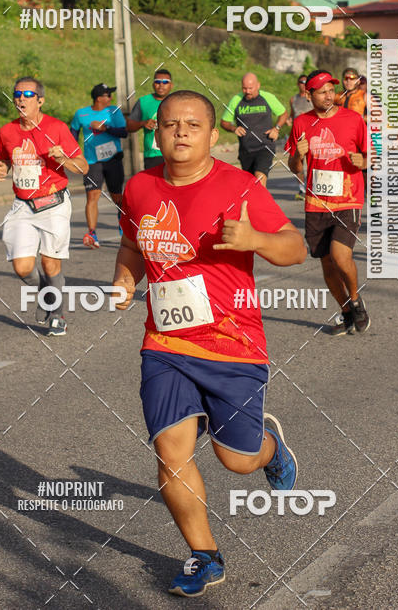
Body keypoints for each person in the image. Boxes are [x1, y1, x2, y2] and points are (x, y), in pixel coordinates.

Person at [112, 90, 306, 597]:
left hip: (233, 345)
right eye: (171, 124)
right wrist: (125, 281)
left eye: (193, 125)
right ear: (156, 132)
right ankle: (205, 556)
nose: (181, 131)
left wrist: (256, 241)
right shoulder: (139, 187)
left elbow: (295, 247)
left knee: (236, 460)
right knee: (170, 451)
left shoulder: (239, 186)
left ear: (213, 135)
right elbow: (132, 245)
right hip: (166, 344)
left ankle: (269, 448)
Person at [0, 77, 88, 336]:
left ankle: (57, 315)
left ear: (40, 101)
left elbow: (83, 166)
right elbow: (4, 160)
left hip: (53, 203)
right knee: (22, 267)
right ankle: (46, 294)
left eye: (27, 94)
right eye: (17, 94)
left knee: (50, 263)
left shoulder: (56, 128)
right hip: (23, 206)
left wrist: (64, 158)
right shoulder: (7, 131)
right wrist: (1, 169)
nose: (21, 99)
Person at [286, 70, 369, 336]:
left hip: (348, 199)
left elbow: (371, 155)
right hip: (316, 204)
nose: (329, 95)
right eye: (322, 92)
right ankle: (346, 312)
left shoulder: (353, 119)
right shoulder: (301, 123)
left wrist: (364, 161)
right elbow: (294, 167)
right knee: (327, 264)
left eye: (331, 90)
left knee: (340, 256)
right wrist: (297, 157)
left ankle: (356, 301)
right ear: (309, 94)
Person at [70, 84, 127, 248]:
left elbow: (123, 132)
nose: (111, 98)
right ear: (99, 98)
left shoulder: (114, 111)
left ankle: (123, 225)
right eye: (108, 95)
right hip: (92, 161)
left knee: (117, 197)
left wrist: (105, 128)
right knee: (92, 196)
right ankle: (92, 233)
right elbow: (73, 134)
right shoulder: (81, 114)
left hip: (113, 160)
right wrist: (73, 154)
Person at [221, 73, 288, 186]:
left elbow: (283, 113)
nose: (247, 91)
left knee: (259, 178)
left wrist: (276, 129)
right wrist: (233, 128)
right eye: (244, 88)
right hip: (246, 150)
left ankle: (261, 198)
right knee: (250, 185)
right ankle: (258, 198)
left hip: (265, 146)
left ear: (258, 85)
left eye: (250, 88)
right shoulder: (236, 100)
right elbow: (224, 122)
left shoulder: (268, 97)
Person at [126, 69, 173, 169]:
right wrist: (143, 123)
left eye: (165, 82)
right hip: (152, 155)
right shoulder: (143, 102)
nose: (161, 85)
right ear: (153, 84)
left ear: (171, 85)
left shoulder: (176, 101)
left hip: (173, 153)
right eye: (157, 82)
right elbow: (129, 126)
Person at [289, 75, 312, 200]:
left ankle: (312, 188)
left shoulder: (312, 97)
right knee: (298, 162)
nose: (303, 84)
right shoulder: (293, 99)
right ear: (298, 84)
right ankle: (302, 189)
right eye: (301, 82)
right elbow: (292, 114)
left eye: (305, 82)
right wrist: (289, 120)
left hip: (311, 133)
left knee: (312, 163)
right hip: (298, 134)